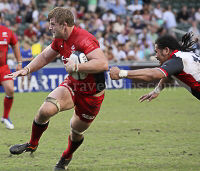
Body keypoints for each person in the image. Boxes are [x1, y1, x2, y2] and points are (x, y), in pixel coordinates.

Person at [8, 7, 108, 170]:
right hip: (72, 85)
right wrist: (26, 70)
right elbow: (45, 56)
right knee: (45, 111)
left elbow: (103, 64)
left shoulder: (85, 39)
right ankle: (32, 144)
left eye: (53, 24)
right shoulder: (59, 39)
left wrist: (76, 66)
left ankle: (66, 158)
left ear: (64, 25)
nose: (49, 27)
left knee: (76, 132)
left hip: (92, 94)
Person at [110, 32, 200, 101]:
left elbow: (152, 74)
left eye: (156, 52)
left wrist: (121, 73)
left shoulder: (177, 60)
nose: (156, 56)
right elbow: (169, 76)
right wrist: (157, 90)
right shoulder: (184, 55)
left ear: (166, 50)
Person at [0, 12, 22, 129]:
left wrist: (19, 62)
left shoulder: (7, 31)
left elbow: (15, 44)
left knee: (10, 89)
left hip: (3, 67)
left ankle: (5, 117)